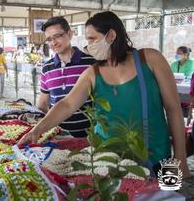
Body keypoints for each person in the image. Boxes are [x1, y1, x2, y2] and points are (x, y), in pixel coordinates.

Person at [19, 11, 189, 178]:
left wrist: (180, 158)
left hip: (157, 156)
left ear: (111, 35)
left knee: (172, 195)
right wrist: (38, 129)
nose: (89, 44)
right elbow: (67, 104)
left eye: (92, 39)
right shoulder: (93, 73)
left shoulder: (150, 58)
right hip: (108, 162)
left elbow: (173, 108)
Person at [38, 16, 95, 138]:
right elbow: (42, 104)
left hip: (90, 136)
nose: (54, 43)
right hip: (58, 136)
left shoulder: (91, 63)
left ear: (69, 34)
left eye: (58, 36)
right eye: (49, 39)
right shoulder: (46, 68)